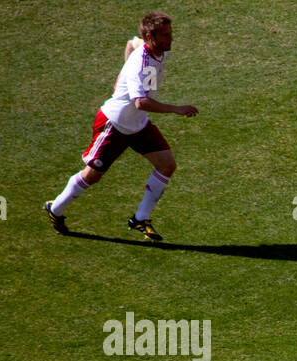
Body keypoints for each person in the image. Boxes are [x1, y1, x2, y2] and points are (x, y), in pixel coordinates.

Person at [44, 12, 198, 242]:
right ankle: (55, 208)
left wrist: (124, 73)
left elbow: (131, 43)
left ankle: (140, 218)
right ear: (150, 36)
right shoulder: (143, 62)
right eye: (165, 35)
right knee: (92, 176)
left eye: (170, 33)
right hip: (114, 124)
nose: (171, 39)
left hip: (137, 124)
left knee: (167, 165)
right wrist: (176, 109)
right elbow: (141, 102)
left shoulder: (153, 49)